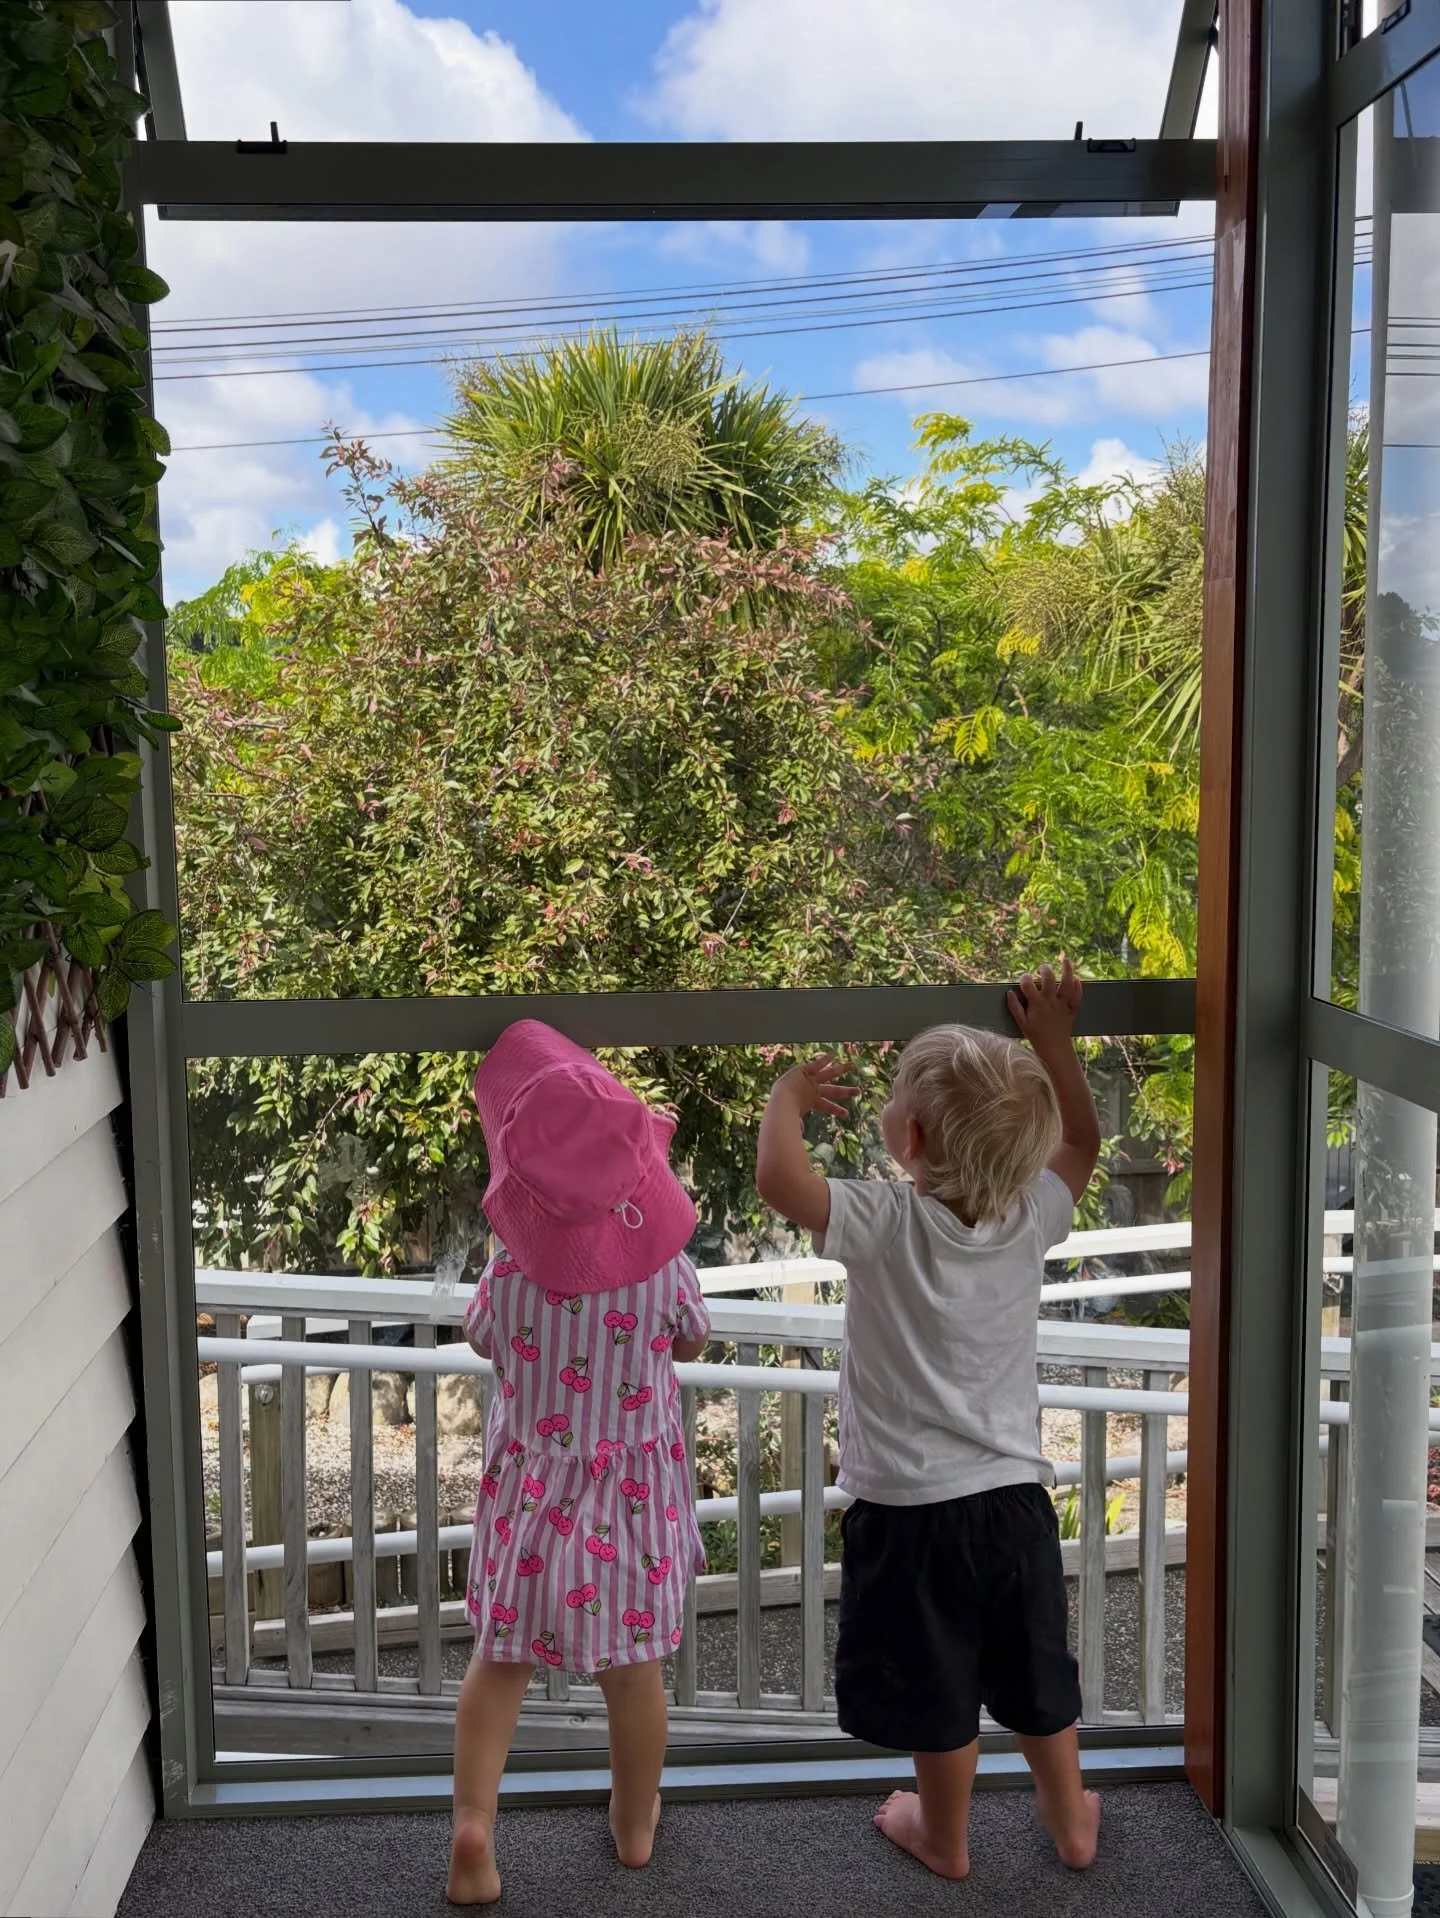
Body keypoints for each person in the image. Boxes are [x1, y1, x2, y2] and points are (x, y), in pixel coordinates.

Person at [755, 959, 1102, 1882]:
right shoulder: (1031, 1217)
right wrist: (1054, 1043)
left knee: (941, 1693)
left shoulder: (885, 1220)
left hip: (909, 1511)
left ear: (908, 1135)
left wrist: (787, 1097)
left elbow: (781, 1181)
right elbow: (1083, 1141)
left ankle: (943, 1837)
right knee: (1036, 1676)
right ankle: (1070, 1820)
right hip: (1015, 1505)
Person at [447, 1019, 711, 1906]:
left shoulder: (508, 1280)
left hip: (530, 1498)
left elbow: (482, 1340)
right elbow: (692, 1337)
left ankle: (474, 1826)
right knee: (633, 1678)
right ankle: (634, 1826)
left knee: (499, 1665)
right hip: (631, 1506)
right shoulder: (665, 1274)